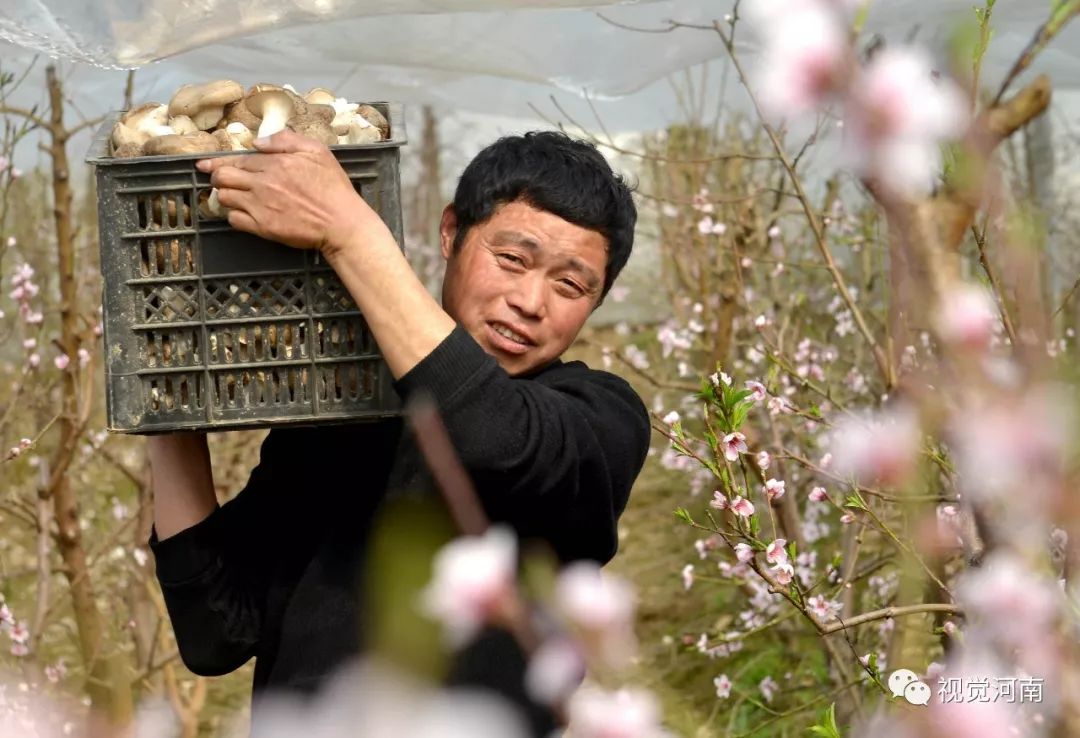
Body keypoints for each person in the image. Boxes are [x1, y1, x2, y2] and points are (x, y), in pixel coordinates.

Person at [146, 128, 650, 735]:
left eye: (570, 285)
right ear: (450, 233)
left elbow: (494, 437)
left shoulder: (598, 419)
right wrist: (162, 394)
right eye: (512, 259)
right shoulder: (344, 414)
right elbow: (215, 632)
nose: (530, 300)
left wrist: (353, 234)